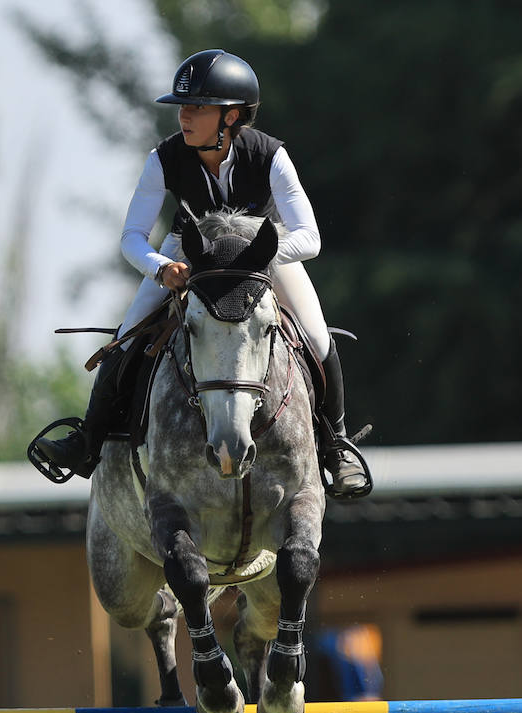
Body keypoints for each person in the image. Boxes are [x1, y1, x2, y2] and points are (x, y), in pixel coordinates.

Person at [33, 49, 371, 498]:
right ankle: (87, 442)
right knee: (127, 334)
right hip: (187, 253)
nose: (184, 117)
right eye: (182, 107)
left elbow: (310, 237)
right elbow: (132, 237)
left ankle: (335, 448)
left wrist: (252, 259)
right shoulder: (164, 158)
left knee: (317, 337)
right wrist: (160, 268)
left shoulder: (270, 156)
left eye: (197, 108)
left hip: (263, 255)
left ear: (231, 116)